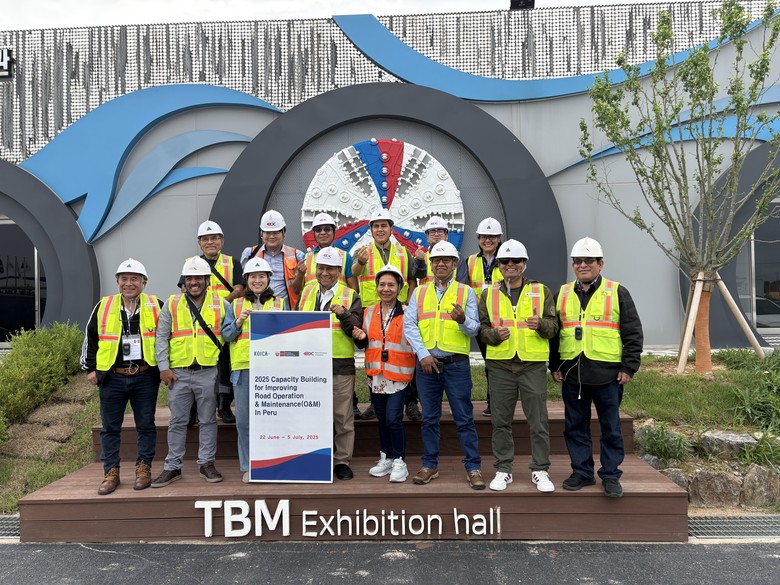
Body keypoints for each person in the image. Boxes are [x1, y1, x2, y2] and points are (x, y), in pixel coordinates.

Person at [549, 237, 643, 498]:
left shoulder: (617, 292)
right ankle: (582, 472)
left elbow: (633, 332)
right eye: (577, 261)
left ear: (600, 264)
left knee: (610, 427)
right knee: (574, 426)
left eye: (588, 260)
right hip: (573, 374)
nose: (583, 265)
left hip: (608, 375)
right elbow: (555, 334)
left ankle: (611, 475)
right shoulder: (562, 293)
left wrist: (629, 367)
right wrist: (555, 365)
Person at [403, 241, 485, 490]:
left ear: (454, 264)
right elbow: (410, 325)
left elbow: (475, 328)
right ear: (430, 264)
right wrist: (423, 355)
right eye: (436, 260)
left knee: (464, 418)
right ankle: (429, 465)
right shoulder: (420, 292)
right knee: (429, 418)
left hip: (456, 365)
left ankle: (473, 467)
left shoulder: (465, 292)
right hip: (427, 366)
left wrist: (463, 320)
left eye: (445, 260)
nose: (440, 264)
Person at [478, 240, 557, 493]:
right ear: (498, 265)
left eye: (516, 261)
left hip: (532, 365)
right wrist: (494, 335)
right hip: (500, 366)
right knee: (501, 421)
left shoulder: (541, 291)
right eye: (505, 261)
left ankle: (540, 469)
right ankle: (503, 469)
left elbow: (554, 327)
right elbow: (481, 330)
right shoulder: (488, 294)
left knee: (538, 421)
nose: (510, 265)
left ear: (524, 264)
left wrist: (540, 324)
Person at [81, 258, 162, 495]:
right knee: (110, 428)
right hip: (112, 377)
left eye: (134, 279)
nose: (129, 283)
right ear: (117, 282)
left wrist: (165, 369)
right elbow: (90, 338)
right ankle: (111, 472)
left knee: (146, 425)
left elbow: (167, 338)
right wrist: (90, 368)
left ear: (144, 283)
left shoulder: (156, 305)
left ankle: (143, 469)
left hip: (145, 376)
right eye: (124, 279)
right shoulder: (104, 305)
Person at [151, 257, 231, 487]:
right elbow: (161, 337)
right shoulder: (172, 304)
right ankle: (172, 467)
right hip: (179, 374)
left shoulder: (222, 304)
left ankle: (206, 463)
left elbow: (231, 333)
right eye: (190, 278)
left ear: (207, 280)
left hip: (208, 372)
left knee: (207, 420)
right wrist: (164, 368)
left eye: (198, 278)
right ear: (184, 281)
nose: (194, 282)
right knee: (177, 421)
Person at [298, 247, 363, 480]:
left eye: (330, 269)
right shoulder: (307, 292)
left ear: (338, 270)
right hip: (309, 365)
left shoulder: (350, 295)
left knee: (342, 417)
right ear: (316, 269)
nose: (325, 273)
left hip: (339, 365)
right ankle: (316, 458)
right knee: (312, 414)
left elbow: (357, 328)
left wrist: (343, 314)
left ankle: (342, 461)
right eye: (321, 268)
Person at [222, 257, 286, 483]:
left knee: (273, 419)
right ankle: (249, 465)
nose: (257, 280)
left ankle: (274, 462)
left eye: (261, 276)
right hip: (244, 368)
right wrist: (238, 322)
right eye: (252, 277)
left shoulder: (280, 303)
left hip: (273, 370)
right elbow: (226, 335)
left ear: (268, 279)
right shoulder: (236, 305)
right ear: (246, 280)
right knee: (244, 421)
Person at [352, 207, 418, 421]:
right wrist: (361, 262)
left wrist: (409, 304)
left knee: (405, 355)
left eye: (384, 225)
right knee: (373, 356)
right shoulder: (362, 251)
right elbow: (353, 273)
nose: (380, 229)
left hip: (399, 312)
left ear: (391, 228)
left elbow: (411, 280)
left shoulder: (403, 252)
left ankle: (411, 401)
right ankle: (375, 401)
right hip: (373, 313)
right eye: (376, 226)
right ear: (371, 229)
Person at [352, 264, 415, 483]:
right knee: (381, 419)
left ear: (400, 288)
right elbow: (365, 342)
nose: (386, 289)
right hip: (376, 375)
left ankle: (400, 461)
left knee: (393, 419)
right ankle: (386, 457)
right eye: (382, 285)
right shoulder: (369, 312)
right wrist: (360, 337)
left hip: (398, 374)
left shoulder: (408, 312)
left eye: (391, 285)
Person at [180, 220, 245, 424]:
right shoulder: (190, 262)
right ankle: (192, 410)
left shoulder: (232, 262)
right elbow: (184, 289)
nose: (210, 242)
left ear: (222, 241)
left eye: (214, 238)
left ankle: (224, 406)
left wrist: (219, 305)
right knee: (197, 365)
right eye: (205, 239)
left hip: (225, 319)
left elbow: (239, 289)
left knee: (225, 365)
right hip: (198, 321)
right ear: (199, 243)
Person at [467, 217, 504, 417]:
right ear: (478, 239)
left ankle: (497, 401)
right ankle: (493, 401)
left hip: (501, 319)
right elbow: (465, 287)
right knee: (489, 360)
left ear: (499, 239)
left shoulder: (506, 259)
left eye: (492, 237)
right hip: (481, 320)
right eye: (484, 237)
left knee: (499, 361)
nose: (487, 240)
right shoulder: (471, 260)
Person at [240, 209, 306, 309]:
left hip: (286, 311)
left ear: (284, 233)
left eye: (276, 232)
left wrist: (301, 274)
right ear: (261, 234)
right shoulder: (250, 254)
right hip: (257, 309)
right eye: (267, 232)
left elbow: (298, 290)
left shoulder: (297, 255)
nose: (271, 236)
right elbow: (245, 285)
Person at [302, 212, 359, 291]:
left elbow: (354, 289)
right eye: (318, 230)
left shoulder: (345, 257)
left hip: (337, 299)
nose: (323, 232)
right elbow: (297, 290)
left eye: (327, 229)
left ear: (334, 231)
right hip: (312, 299)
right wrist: (299, 274)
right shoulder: (305, 258)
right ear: (314, 233)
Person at [414, 215, 468, 285]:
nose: (436, 234)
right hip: (427, 292)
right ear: (427, 236)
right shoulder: (422, 257)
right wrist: (420, 261)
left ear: (446, 235)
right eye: (432, 231)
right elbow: (417, 276)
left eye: (440, 231)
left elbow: (462, 284)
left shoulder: (457, 257)